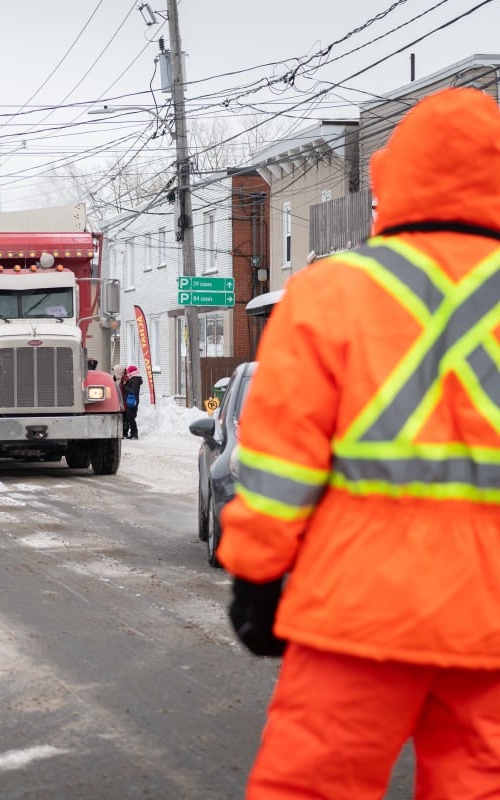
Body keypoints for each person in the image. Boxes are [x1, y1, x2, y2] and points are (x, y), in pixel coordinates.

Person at [218, 86, 500, 799]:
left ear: (392, 178)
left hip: (357, 610)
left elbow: (280, 465)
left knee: (314, 786)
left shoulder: (332, 291)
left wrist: (257, 576)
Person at [119, 365, 142, 439]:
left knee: (130, 416)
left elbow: (133, 390)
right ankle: (133, 433)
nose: (127, 373)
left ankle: (134, 433)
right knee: (130, 416)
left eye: (128, 371)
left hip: (132, 400)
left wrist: (125, 386)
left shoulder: (135, 379)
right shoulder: (134, 378)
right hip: (132, 400)